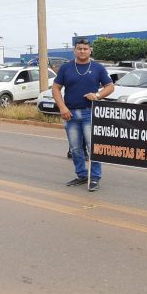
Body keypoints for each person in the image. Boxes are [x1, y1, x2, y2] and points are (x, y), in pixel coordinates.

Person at [52, 38, 114, 191]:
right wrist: (62, 107)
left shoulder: (98, 68)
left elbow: (110, 86)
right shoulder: (66, 68)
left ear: (90, 50)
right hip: (70, 114)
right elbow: (55, 88)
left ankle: (95, 177)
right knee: (75, 148)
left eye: (85, 49)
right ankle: (82, 175)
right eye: (79, 48)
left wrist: (98, 95)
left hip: (89, 113)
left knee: (93, 148)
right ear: (74, 50)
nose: (82, 51)